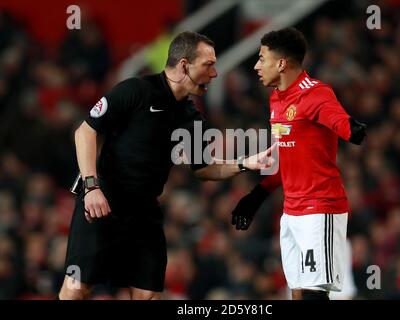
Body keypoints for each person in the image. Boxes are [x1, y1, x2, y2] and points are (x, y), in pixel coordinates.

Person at [58, 31, 274, 300]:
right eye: (208, 65)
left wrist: (245, 163)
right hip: (102, 201)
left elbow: (205, 170)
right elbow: (85, 132)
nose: (215, 73)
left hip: (144, 212)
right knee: (77, 288)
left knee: (148, 295)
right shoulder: (135, 91)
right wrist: (92, 187)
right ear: (184, 65)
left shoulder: (193, 120)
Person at [231, 27, 367, 300]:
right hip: (291, 213)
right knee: (298, 294)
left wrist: (352, 128)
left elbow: (339, 120)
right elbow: (286, 157)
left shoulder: (315, 93)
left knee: (316, 294)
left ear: (281, 63)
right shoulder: (276, 100)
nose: (256, 66)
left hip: (320, 209)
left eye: (262, 58)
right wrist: (256, 197)